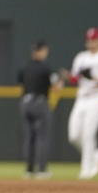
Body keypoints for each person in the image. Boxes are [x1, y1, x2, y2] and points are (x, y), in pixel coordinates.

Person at [64, 27, 98, 179]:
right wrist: (69, 76)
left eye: (93, 39)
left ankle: (86, 171)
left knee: (88, 134)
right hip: (82, 97)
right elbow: (75, 79)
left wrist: (96, 78)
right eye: (88, 40)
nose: (90, 42)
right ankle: (95, 154)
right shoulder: (81, 57)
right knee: (73, 136)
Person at [17, 40, 63, 179]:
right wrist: (61, 79)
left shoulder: (24, 67)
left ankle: (29, 170)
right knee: (42, 137)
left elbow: (21, 83)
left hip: (25, 103)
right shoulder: (46, 68)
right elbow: (57, 86)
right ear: (42, 51)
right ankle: (42, 170)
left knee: (29, 137)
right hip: (40, 102)